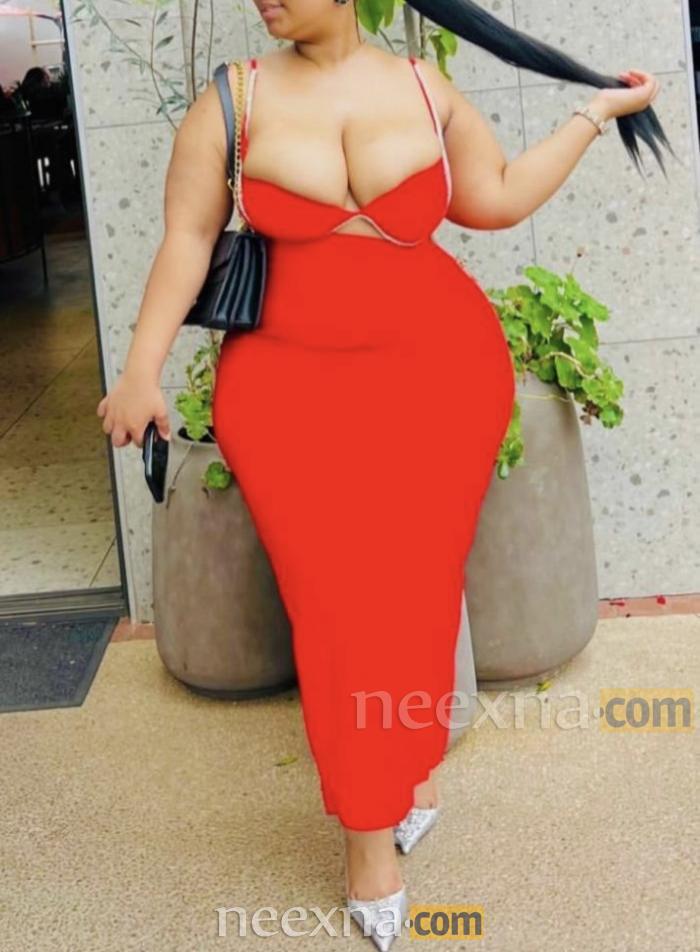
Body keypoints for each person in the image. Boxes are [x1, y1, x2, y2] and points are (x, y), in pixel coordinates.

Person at [97, 0, 666, 946]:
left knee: (416, 589)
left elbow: (494, 199)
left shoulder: (423, 86)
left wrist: (593, 114)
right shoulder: (233, 101)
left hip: (439, 378)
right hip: (286, 395)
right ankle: (369, 835)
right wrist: (141, 370)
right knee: (334, 605)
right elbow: (188, 239)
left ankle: (409, 769)